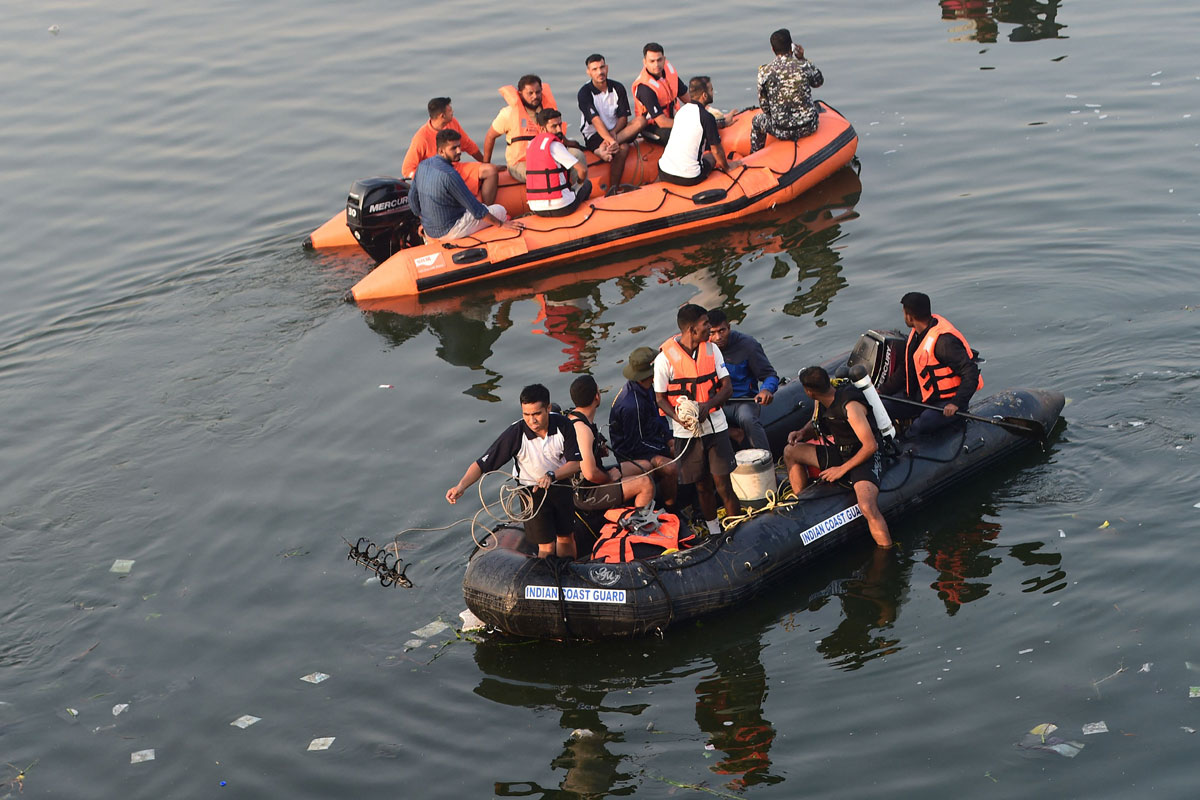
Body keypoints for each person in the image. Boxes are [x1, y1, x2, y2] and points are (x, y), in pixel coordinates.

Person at [446, 384, 581, 559]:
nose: (532, 420)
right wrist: (461, 486)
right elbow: (483, 463)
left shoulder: (563, 425)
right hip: (532, 493)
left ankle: (568, 573)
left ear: (548, 408)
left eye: (537, 414)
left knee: (565, 537)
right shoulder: (516, 434)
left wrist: (552, 475)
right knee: (546, 545)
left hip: (560, 484)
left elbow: (575, 464)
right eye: (526, 414)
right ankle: (546, 579)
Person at [654, 303, 742, 536]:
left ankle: (736, 529)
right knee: (703, 486)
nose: (709, 328)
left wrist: (708, 406)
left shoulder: (712, 350)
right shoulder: (664, 359)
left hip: (716, 426)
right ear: (692, 329)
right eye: (705, 325)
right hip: (687, 433)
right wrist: (678, 419)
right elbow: (661, 399)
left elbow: (727, 388)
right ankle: (714, 532)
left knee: (724, 484)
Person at [783, 366, 893, 548]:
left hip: (864, 456)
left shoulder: (850, 407)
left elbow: (870, 446)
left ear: (809, 392)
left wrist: (841, 470)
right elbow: (818, 422)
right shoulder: (822, 401)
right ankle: (802, 502)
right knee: (790, 451)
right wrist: (802, 432)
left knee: (867, 507)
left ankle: (887, 550)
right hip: (841, 451)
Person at [879, 291, 983, 438]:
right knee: (881, 408)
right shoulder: (916, 335)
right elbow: (905, 370)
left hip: (946, 403)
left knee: (921, 424)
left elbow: (971, 371)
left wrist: (956, 403)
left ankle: (905, 443)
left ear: (909, 316)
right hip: (920, 398)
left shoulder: (943, 342)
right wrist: (882, 391)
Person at [409, 129, 522, 240]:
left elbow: (412, 201)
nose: (459, 151)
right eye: (453, 148)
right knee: (500, 210)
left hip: (430, 230)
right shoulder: (450, 174)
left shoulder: (422, 166)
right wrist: (501, 224)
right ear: (441, 151)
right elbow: (476, 209)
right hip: (451, 229)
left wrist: (425, 221)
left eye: (459, 146)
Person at [568, 375, 654, 513]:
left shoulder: (574, 417)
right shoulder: (582, 430)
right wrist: (609, 478)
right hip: (587, 493)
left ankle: (629, 508)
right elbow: (589, 473)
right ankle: (639, 529)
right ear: (597, 396)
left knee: (646, 466)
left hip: (594, 480)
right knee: (645, 483)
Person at [609, 346, 680, 513]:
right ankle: (672, 509)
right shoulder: (631, 405)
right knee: (671, 468)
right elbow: (636, 444)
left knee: (682, 447)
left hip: (650, 440)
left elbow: (659, 418)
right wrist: (664, 449)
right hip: (634, 452)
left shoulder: (648, 389)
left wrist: (669, 438)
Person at [483, 75, 587, 184]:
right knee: (544, 171)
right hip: (521, 162)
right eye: (530, 93)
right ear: (520, 94)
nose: (535, 96)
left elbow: (557, 134)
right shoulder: (508, 114)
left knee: (577, 155)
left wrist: (571, 143)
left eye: (538, 92)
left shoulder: (547, 110)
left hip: (550, 153)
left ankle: (578, 191)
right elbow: (490, 136)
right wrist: (486, 165)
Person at [401, 97, 500, 204]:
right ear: (442, 116)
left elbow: (468, 145)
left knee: (490, 170)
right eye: (450, 110)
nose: (452, 112)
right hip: (438, 178)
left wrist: (484, 163)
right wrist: (429, 181)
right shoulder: (421, 138)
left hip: (456, 169)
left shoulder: (453, 123)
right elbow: (407, 169)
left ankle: (488, 210)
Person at [706, 309, 779, 452]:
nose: (718, 337)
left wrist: (766, 390)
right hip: (716, 404)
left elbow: (770, 375)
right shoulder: (702, 349)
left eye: (722, 331)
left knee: (747, 418)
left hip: (743, 401)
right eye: (712, 333)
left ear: (729, 327)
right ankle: (734, 435)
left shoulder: (748, 345)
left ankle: (765, 461)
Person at [577, 53, 646, 196]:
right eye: (595, 69)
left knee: (640, 121)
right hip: (595, 134)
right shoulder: (584, 93)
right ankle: (613, 188)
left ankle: (604, 150)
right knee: (623, 147)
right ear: (588, 72)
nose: (600, 72)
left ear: (607, 68)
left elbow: (623, 118)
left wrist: (614, 133)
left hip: (616, 132)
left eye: (602, 67)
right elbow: (595, 120)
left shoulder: (617, 88)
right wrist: (609, 139)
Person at [750, 28, 825, 153]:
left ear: (773, 49)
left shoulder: (764, 72)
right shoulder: (803, 65)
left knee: (757, 121)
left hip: (782, 130)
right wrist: (802, 58)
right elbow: (818, 82)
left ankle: (755, 155)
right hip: (809, 126)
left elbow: (764, 106)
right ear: (792, 46)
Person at [657, 77, 742, 186]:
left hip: (664, 171)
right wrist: (728, 167)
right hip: (689, 177)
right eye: (711, 89)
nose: (713, 92)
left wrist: (723, 123)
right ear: (704, 95)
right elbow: (716, 151)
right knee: (711, 157)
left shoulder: (681, 111)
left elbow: (698, 125)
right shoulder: (707, 117)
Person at [525, 108, 593, 216]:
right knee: (587, 185)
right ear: (542, 129)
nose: (559, 130)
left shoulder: (530, 145)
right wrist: (578, 184)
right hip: (562, 207)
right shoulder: (555, 145)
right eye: (554, 126)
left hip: (537, 209)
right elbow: (582, 170)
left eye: (560, 125)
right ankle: (584, 213)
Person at [631, 43, 688, 143]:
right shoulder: (645, 88)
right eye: (652, 61)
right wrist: (690, 124)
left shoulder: (670, 74)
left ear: (664, 59)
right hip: (652, 127)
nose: (656, 64)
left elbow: (688, 99)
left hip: (673, 118)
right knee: (679, 135)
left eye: (659, 60)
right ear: (645, 62)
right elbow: (662, 122)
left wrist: (706, 113)